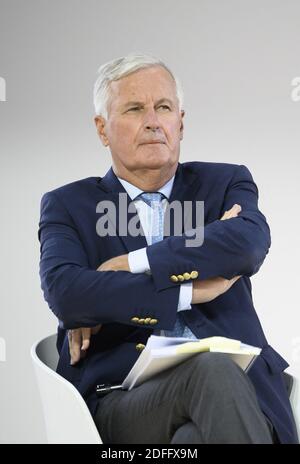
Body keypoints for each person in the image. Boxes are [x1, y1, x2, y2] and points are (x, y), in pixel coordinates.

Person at [38, 53, 298, 444]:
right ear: (102, 129)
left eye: (163, 107)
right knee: (212, 370)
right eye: (134, 108)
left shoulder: (224, 182)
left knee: (192, 439)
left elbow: (247, 245)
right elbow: (67, 292)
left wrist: (131, 264)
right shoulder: (69, 204)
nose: (153, 121)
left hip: (240, 395)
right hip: (124, 399)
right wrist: (186, 291)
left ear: (181, 122)